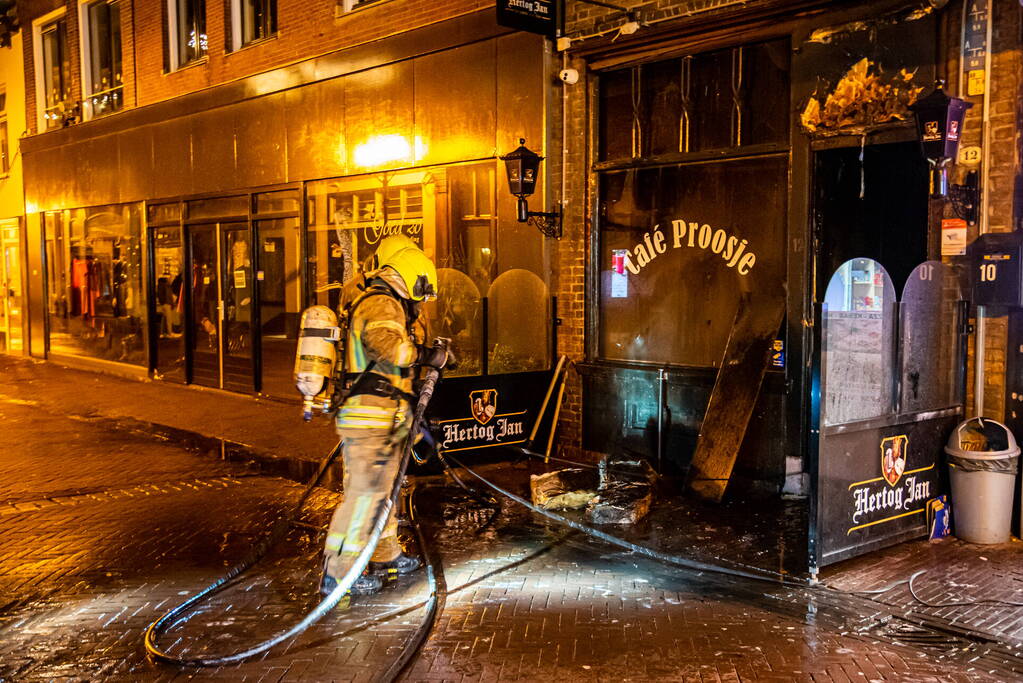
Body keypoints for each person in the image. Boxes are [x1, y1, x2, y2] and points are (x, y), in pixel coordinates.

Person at [321, 245, 449, 597]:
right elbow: (388, 346)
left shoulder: (390, 303)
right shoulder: (381, 302)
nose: (422, 298)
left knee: (385, 494)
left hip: (384, 415)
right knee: (364, 496)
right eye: (422, 288)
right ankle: (339, 572)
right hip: (368, 418)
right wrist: (428, 355)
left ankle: (385, 555)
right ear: (409, 275)